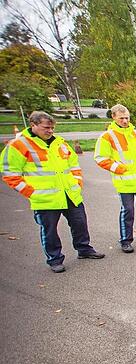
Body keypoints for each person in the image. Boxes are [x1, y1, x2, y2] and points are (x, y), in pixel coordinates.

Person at [1, 111, 105, 272]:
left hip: (69, 194)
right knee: (49, 231)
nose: (50, 131)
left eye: (52, 128)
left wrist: (77, 183)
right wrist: (31, 192)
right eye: (46, 127)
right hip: (45, 198)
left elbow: (73, 164)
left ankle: (84, 249)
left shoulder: (59, 143)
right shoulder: (18, 145)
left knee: (80, 223)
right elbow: (10, 174)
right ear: (33, 125)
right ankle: (55, 259)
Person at [94, 104, 136, 253]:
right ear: (114, 117)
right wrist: (119, 169)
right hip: (125, 182)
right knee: (128, 211)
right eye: (121, 118)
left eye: (127, 118)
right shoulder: (107, 137)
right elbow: (100, 158)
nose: (125, 121)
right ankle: (126, 240)